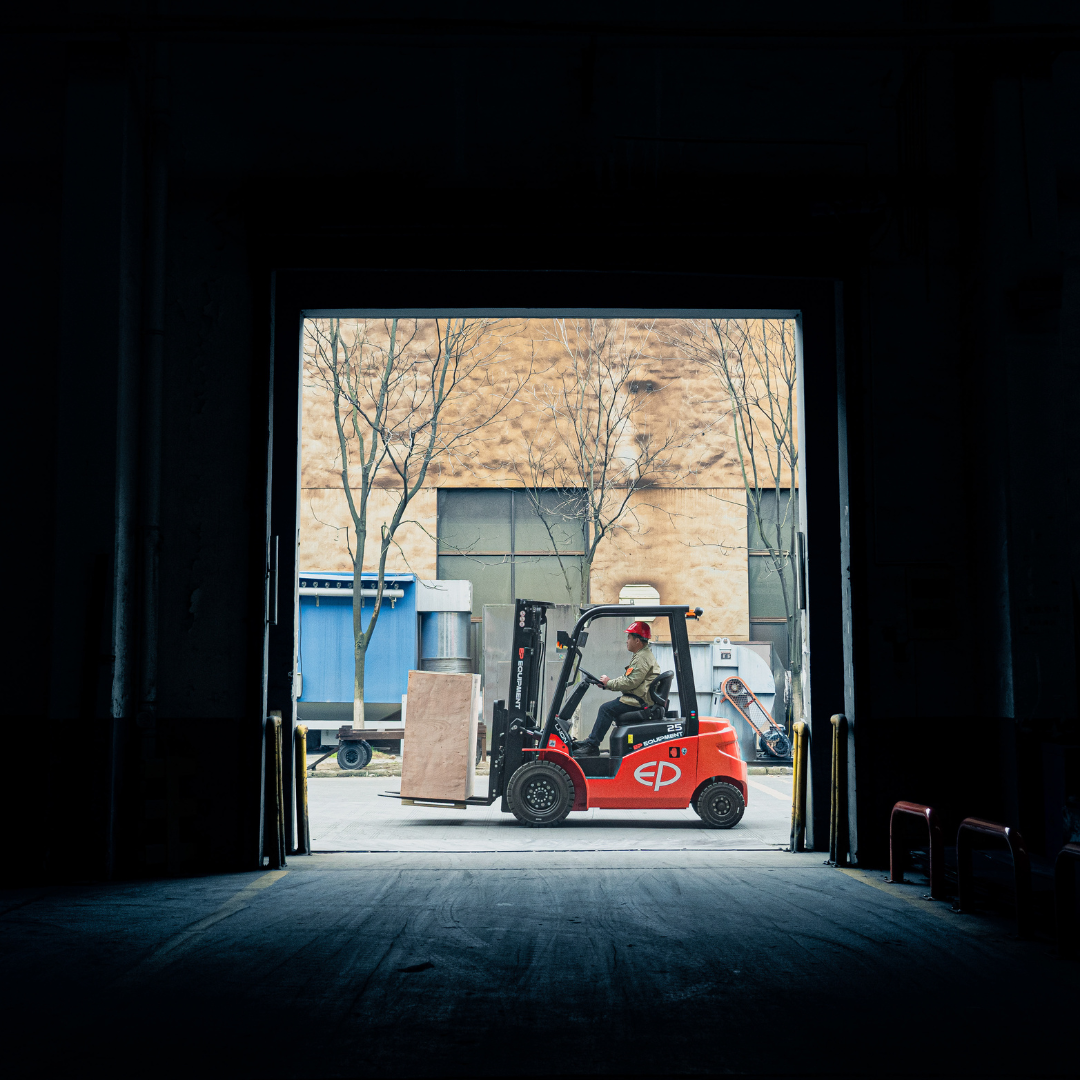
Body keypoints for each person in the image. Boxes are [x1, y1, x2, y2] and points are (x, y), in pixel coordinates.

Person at [572, 621, 661, 756]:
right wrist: (608, 684)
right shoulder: (642, 655)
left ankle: (592, 745)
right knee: (608, 707)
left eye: (629, 638)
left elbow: (630, 682)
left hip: (638, 701)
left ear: (637, 640)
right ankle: (591, 741)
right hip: (638, 697)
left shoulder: (642, 658)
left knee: (606, 709)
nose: (627, 641)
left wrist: (609, 683)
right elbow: (629, 678)